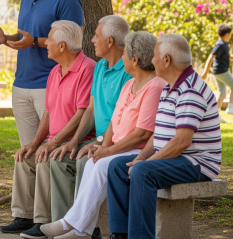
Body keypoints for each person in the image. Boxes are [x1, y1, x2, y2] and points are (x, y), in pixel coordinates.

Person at [0, 0, 84, 235]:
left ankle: (47, 219)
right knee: (28, 151)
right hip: (22, 84)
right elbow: (29, 37)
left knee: (46, 152)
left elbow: (70, 41)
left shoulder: (66, 0)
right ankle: (25, 216)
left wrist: (33, 42)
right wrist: (7, 38)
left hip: (49, 86)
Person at [40, 31, 164, 239]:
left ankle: (71, 223)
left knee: (102, 164)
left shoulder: (155, 86)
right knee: (93, 161)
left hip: (139, 150)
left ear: (134, 60)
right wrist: (104, 147)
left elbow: (142, 134)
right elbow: (114, 122)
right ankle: (81, 231)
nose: (122, 58)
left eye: (124, 54)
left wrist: (109, 151)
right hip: (120, 147)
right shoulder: (130, 84)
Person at [107, 34, 221, 239]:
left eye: (154, 56)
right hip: (176, 158)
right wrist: (140, 157)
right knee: (117, 166)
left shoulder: (190, 90)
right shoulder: (170, 86)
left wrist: (146, 163)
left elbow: (181, 141)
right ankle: (120, 234)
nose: (151, 61)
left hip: (197, 163)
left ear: (166, 60)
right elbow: (159, 134)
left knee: (143, 172)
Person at [13, 21, 96, 239]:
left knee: (45, 158)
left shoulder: (87, 69)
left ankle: (44, 222)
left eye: (49, 39)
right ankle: (24, 216)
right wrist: (34, 143)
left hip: (79, 140)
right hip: (56, 139)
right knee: (25, 156)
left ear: (62, 46)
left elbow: (82, 113)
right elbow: (48, 113)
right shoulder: (54, 72)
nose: (45, 43)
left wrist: (54, 143)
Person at [50, 16, 132, 197]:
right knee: (59, 158)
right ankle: (67, 215)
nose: (92, 40)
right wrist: (74, 141)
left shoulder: (129, 71)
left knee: (84, 160)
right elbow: (91, 109)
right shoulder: (100, 66)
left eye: (96, 36)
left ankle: (85, 215)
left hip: (117, 142)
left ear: (109, 41)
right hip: (99, 139)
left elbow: (122, 120)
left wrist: (99, 142)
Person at [201, 23, 233, 115]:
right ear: (227, 34)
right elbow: (211, 57)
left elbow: (228, 57)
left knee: (222, 93)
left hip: (218, 71)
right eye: (230, 34)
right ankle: (231, 107)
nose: (230, 36)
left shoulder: (224, 44)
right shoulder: (220, 44)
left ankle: (215, 114)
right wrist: (205, 72)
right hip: (221, 71)